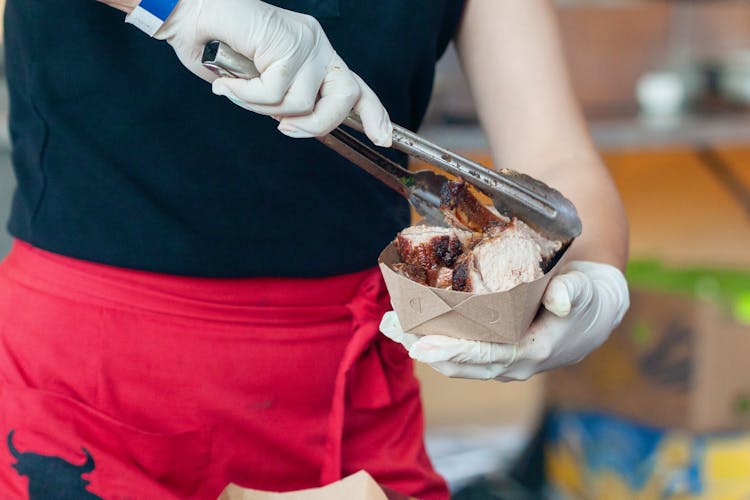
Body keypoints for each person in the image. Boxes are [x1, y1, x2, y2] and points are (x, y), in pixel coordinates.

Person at [0, 2, 627, 500]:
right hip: (95, 379)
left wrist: (598, 278)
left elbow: (556, 157)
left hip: (345, 378)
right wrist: (182, 6)